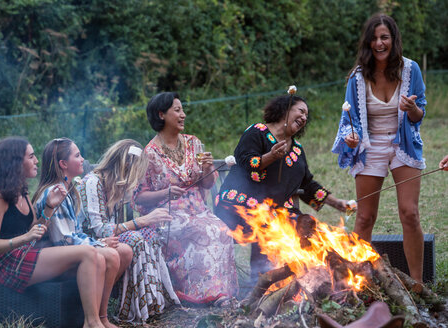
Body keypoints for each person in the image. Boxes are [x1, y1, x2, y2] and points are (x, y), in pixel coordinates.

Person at [331, 13, 427, 282]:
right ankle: (360, 282)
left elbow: (420, 115)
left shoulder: (411, 70)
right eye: (374, 38)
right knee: (364, 218)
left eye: (384, 37)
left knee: (410, 213)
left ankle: (417, 284)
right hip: (370, 145)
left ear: (393, 40)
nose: (379, 43)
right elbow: (348, 120)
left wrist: (413, 109)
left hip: (402, 144)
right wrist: (350, 136)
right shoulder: (357, 77)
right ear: (367, 42)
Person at [214, 94, 348, 284]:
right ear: (285, 109)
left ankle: (305, 281)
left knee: (306, 225)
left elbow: (307, 184)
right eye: (301, 111)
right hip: (239, 204)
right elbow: (247, 161)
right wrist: (270, 156)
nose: (304, 118)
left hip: (276, 211)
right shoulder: (257, 131)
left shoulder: (297, 150)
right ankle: (261, 283)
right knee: (269, 222)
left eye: (306, 116)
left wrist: (337, 203)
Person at [0, 137, 112, 328]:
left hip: (27, 254)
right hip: (9, 264)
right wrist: (24, 238)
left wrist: (50, 207)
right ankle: (92, 323)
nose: (36, 161)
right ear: (16, 161)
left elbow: (36, 228)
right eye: (32, 157)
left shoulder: (22, 191)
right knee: (89, 253)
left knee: (97, 258)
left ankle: (96, 319)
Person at [133, 92, 238, 306]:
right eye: (177, 110)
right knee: (200, 231)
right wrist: (166, 193)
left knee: (220, 229)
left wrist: (208, 167)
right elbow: (139, 197)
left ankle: (222, 292)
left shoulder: (194, 144)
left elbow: (207, 183)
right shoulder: (150, 153)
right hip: (168, 218)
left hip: (198, 211)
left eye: (183, 110)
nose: (183, 115)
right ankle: (197, 295)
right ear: (161, 114)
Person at [32, 137, 132, 328]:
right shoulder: (54, 193)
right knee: (109, 254)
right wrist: (99, 244)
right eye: (77, 155)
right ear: (63, 164)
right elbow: (62, 241)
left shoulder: (69, 190)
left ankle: (101, 317)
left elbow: (74, 232)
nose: (82, 159)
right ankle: (91, 321)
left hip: (70, 250)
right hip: (53, 259)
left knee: (124, 251)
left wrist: (99, 242)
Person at [78, 139, 180, 323]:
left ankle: (152, 304)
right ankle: (130, 309)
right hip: (85, 242)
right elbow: (101, 230)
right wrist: (142, 220)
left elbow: (112, 229)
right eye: (137, 171)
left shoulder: (115, 185)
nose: (138, 177)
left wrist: (147, 223)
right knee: (134, 238)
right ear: (126, 166)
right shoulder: (92, 182)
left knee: (149, 234)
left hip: (104, 241)